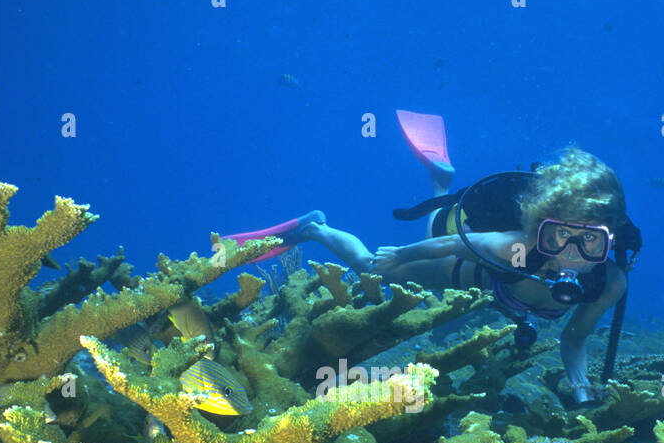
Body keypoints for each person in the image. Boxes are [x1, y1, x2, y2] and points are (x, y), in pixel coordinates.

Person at [225, 112, 641, 406]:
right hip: (457, 258)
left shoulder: (609, 284)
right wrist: (400, 255)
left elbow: (574, 339)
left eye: (590, 243)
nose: (571, 253)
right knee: (370, 267)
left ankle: (441, 177)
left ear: (610, 242)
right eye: (560, 236)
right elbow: (451, 245)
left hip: (486, 280)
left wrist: (581, 388)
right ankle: (316, 228)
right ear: (539, 228)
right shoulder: (516, 245)